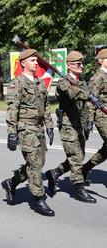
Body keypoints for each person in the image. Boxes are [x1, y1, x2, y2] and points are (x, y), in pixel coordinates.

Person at [1, 49, 55, 216]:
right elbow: (12, 109)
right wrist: (11, 132)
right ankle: (39, 199)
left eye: (36, 60)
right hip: (26, 129)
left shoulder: (39, 82)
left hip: (38, 129)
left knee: (40, 162)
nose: (36, 63)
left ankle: (11, 182)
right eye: (32, 60)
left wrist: (50, 125)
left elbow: (45, 106)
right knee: (34, 164)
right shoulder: (17, 83)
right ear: (23, 63)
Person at [45, 51, 102, 203]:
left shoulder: (81, 82)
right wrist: (89, 95)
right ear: (69, 65)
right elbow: (73, 94)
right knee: (76, 157)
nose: (81, 66)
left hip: (79, 124)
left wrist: (89, 121)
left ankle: (55, 173)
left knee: (79, 156)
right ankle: (78, 187)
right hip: (68, 124)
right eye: (78, 64)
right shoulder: (64, 82)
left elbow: (87, 105)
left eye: (82, 63)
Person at [82, 48, 107, 185]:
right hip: (102, 115)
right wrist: (90, 120)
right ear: (101, 61)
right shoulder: (97, 77)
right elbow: (92, 100)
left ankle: (85, 168)